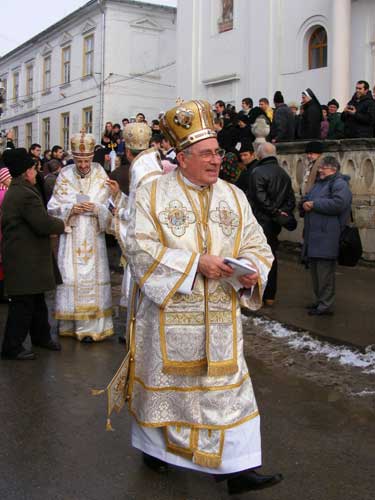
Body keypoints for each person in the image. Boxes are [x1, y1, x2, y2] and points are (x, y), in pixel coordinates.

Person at [120, 99, 282, 495]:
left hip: (222, 323)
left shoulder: (233, 195)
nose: (215, 161)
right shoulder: (152, 194)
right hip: (169, 320)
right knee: (168, 398)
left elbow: (258, 245)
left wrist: (251, 273)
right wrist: (195, 264)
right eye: (207, 154)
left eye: (218, 153)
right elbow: (138, 248)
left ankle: (239, 470)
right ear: (184, 157)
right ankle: (156, 451)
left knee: (230, 394)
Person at [47, 132, 118, 343]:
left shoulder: (101, 174)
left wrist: (96, 208)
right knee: (71, 277)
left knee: (92, 281)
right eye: (80, 160)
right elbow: (52, 207)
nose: (84, 165)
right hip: (73, 235)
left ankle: (91, 329)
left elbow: (110, 206)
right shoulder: (64, 175)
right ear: (73, 159)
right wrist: (71, 208)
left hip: (93, 236)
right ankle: (71, 325)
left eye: (87, 160)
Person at [1, 148, 65, 360]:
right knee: (23, 304)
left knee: (36, 299)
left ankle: (41, 337)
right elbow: (42, 223)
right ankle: (12, 346)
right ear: (24, 171)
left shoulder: (21, 189)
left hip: (27, 256)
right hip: (24, 258)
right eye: (31, 168)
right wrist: (64, 223)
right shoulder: (24, 194)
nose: (35, 171)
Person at [301, 156, 352, 316]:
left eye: (323, 167)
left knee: (325, 273)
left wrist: (314, 205)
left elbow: (339, 204)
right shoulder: (320, 183)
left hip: (327, 236)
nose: (320, 170)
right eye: (320, 167)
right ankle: (319, 301)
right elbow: (308, 198)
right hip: (315, 236)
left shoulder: (339, 184)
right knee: (316, 272)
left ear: (333, 169)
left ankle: (325, 305)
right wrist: (304, 203)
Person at [248, 142, 296, 306]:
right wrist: (281, 213)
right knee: (272, 257)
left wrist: (275, 212)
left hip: (260, 221)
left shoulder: (257, 172)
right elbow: (290, 199)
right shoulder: (283, 173)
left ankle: (258, 293)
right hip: (274, 223)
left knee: (256, 258)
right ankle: (270, 295)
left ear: (260, 155)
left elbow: (260, 198)